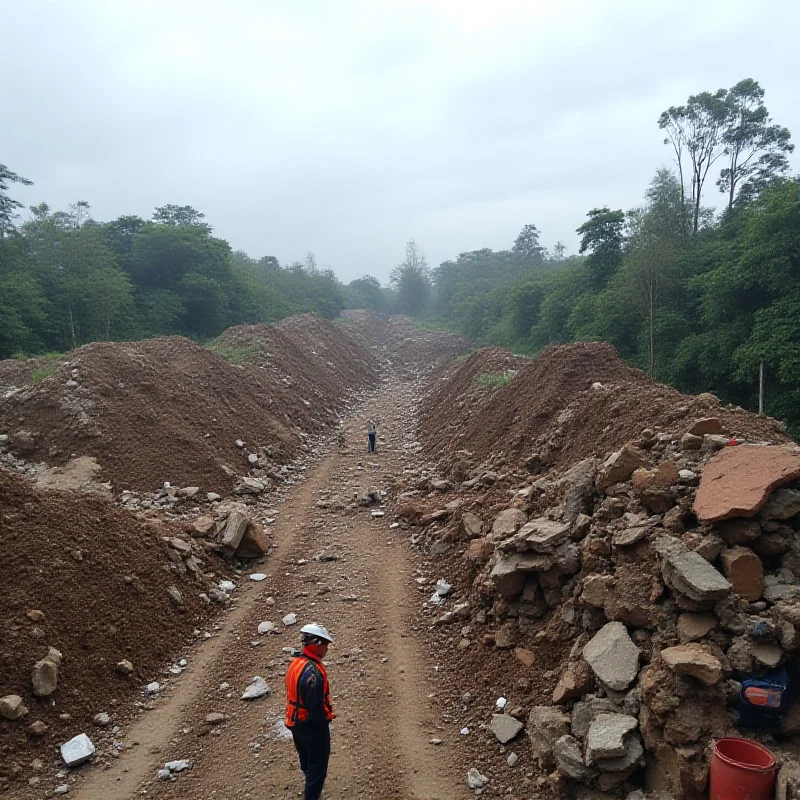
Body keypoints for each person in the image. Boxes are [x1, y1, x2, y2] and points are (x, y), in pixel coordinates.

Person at [285, 623, 336, 800]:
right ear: (316, 644)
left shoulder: (296, 664)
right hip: (310, 725)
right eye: (325, 645)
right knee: (318, 768)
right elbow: (315, 708)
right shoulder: (312, 674)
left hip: (295, 722)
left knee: (306, 759)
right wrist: (323, 726)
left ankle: (310, 784)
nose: (327, 649)